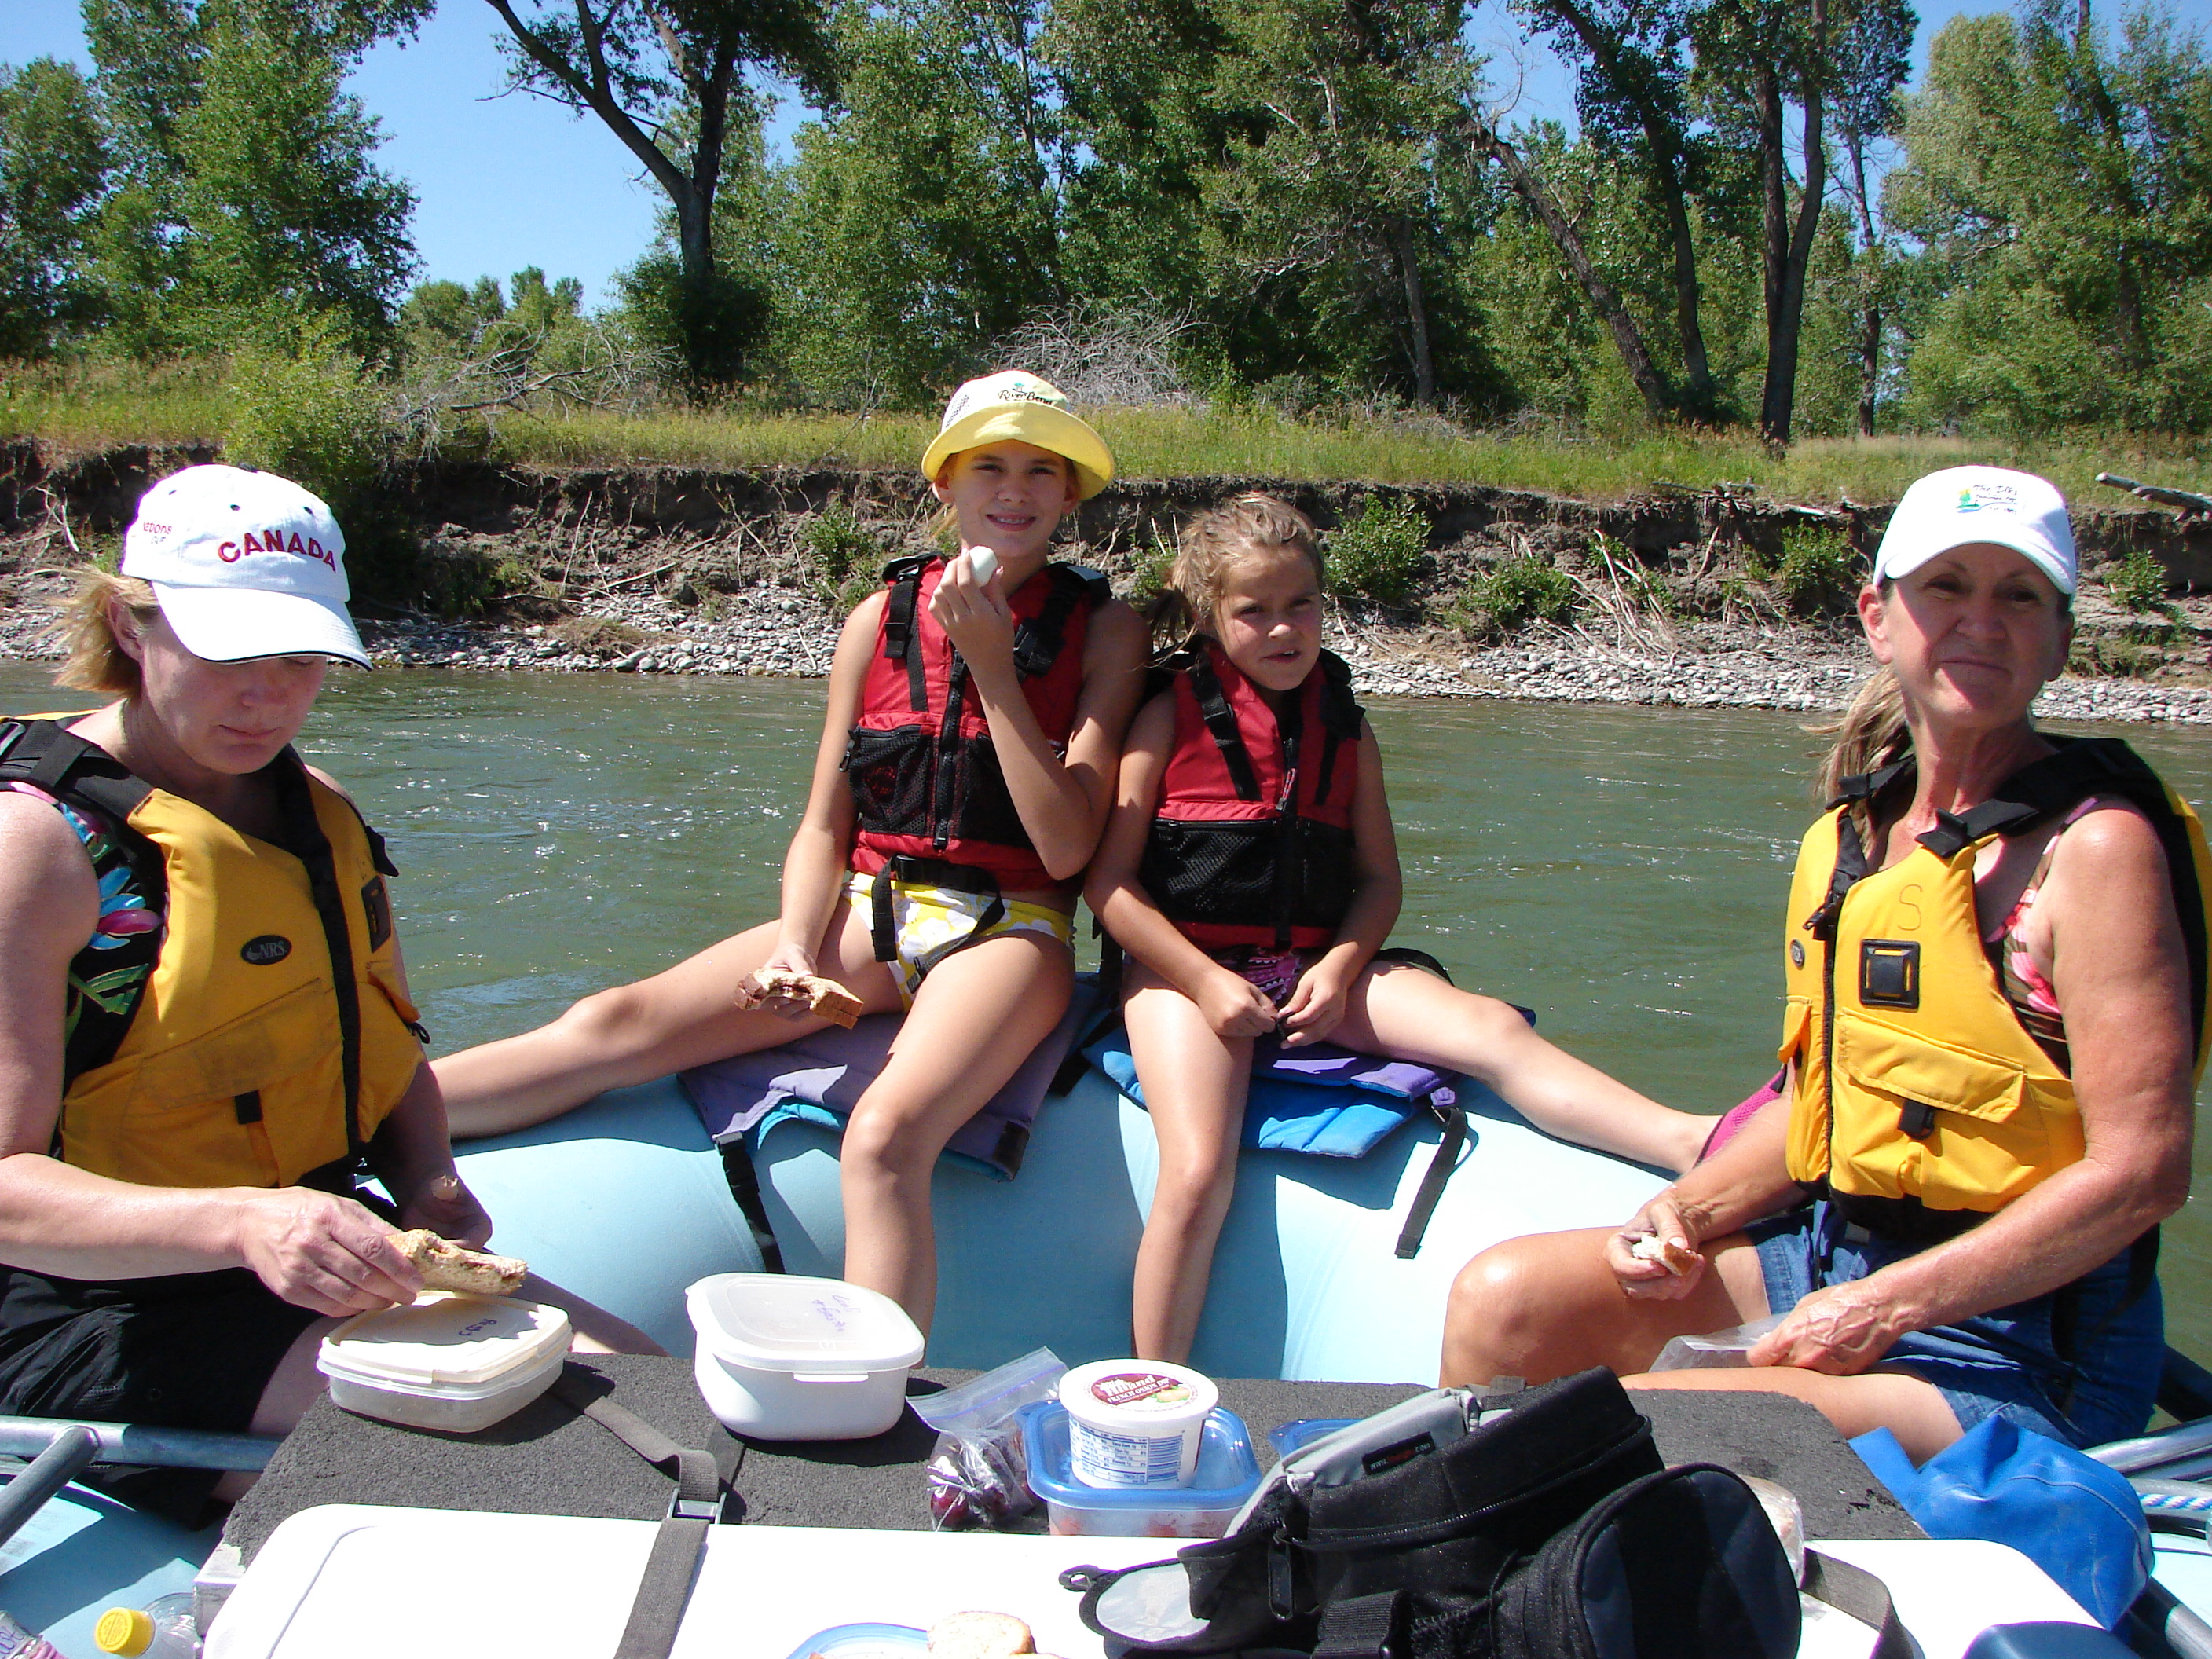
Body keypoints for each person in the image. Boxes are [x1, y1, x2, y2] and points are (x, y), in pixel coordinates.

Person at [1440, 466, 2207, 1461]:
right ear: (1877, 616)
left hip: (2025, 1344)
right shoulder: (1844, 845)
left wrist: (1882, 1307)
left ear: (2059, 638)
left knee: (1631, 1423)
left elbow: (2139, 1174)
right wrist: (1683, 1208)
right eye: (1946, 587)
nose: (1981, 621)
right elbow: (1819, 1104)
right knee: (1502, 1305)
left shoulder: (2094, 853)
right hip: (1832, 1258)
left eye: (2018, 595)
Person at [0, 463, 651, 1523]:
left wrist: (430, 1176)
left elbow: (381, 1040)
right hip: (89, 1306)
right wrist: (242, 1224)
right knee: (565, 1468)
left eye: (300, 659)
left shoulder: (319, 813)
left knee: (653, 1395)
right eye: (230, 654)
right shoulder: (36, 845)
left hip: (313, 1249)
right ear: (130, 626)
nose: (268, 696)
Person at [435, 373, 1148, 1331]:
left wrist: (989, 666)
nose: (1012, 489)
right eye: (988, 465)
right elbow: (823, 825)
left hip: (1011, 929)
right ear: (945, 485)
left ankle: (865, 1403)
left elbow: (1067, 850)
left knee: (886, 1136)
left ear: (1068, 495)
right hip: (872, 904)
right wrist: (790, 948)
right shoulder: (876, 619)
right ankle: (365, 1122)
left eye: (1038, 471)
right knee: (611, 1020)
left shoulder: (1106, 629)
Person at [1084, 493, 1713, 1363]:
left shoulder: (1344, 724)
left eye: (1298, 605)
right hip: (1178, 977)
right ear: (1206, 616)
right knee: (1196, 1172)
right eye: (1252, 612)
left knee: (1488, 1027)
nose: (1280, 630)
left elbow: (1379, 883)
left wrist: (1340, 969)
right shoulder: (1164, 715)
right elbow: (1108, 885)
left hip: (1311, 968)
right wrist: (1200, 980)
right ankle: (1153, 1388)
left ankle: (1694, 1143)